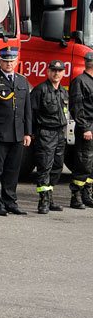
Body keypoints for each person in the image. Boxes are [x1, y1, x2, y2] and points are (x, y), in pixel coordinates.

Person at [0, 46, 32, 216]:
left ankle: (10, 202)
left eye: (12, 61)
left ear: (16, 61)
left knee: (12, 171)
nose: (9, 64)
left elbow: (27, 110)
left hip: (18, 133)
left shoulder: (22, 80)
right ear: (0, 62)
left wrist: (28, 132)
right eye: (6, 61)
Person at [30, 60, 68, 214]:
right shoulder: (40, 90)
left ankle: (50, 198)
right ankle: (43, 201)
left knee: (57, 167)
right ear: (48, 72)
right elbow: (31, 113)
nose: (56, 73)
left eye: (59, 71)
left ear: (63, 73)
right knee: (45, 166)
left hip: (60, 133)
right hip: (45, 132)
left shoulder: (63, 92)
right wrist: (31, 132)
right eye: (53, 70)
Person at [68, 52, 93, 209]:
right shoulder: (80, 81)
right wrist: (85, 127)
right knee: (83, 162)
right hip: (87, 127)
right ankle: (75, 195)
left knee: (91, 164)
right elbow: (77, 107)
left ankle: (86, 193)